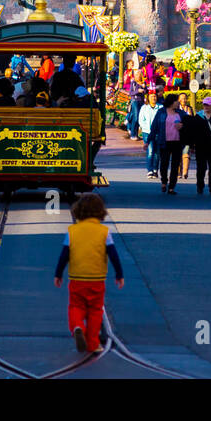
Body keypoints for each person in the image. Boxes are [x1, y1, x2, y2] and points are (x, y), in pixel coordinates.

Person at [53, 194, 124, 354]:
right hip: (97, 280)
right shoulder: (104, 232)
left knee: (76, 306)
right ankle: (93, 343)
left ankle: (77, 326)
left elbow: (64, 255)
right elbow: (113, 255)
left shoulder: (72, 231)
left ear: (78, 211)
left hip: (77, 279)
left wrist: (58, 274)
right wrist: (119, 274)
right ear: (100, 212)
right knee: (95, 311)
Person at [186, 97, 211, 196]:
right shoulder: (198, 116)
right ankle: (200, 185)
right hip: (201, 145)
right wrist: (191, 145)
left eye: (208, 105)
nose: (206, 107)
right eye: (204, 105)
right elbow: (193, 131)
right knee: (201, 168)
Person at [148, 93, 186, 195]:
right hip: (164, 142)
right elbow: (154, 127)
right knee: (164, 164)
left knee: (175, 165)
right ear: (171, 102)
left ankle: (172, 187)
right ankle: (164, 181)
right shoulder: (161, 112)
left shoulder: (181, 113)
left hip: (177, 142)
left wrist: (182, 126)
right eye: (176, 101)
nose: (178, 102)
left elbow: (189, 124)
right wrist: (148, 141)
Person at [138, 89, 161, 178]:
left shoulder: (161, 107)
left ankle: (155, 170)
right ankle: (150, 170)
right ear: (148, 98)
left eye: (155, 96)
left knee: (157, 152)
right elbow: (141, 120)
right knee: (150, 151)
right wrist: (146, 128)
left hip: (158, 133)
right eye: (151, 96)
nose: (153, 98)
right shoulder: (144, 107)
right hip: (147, 132)